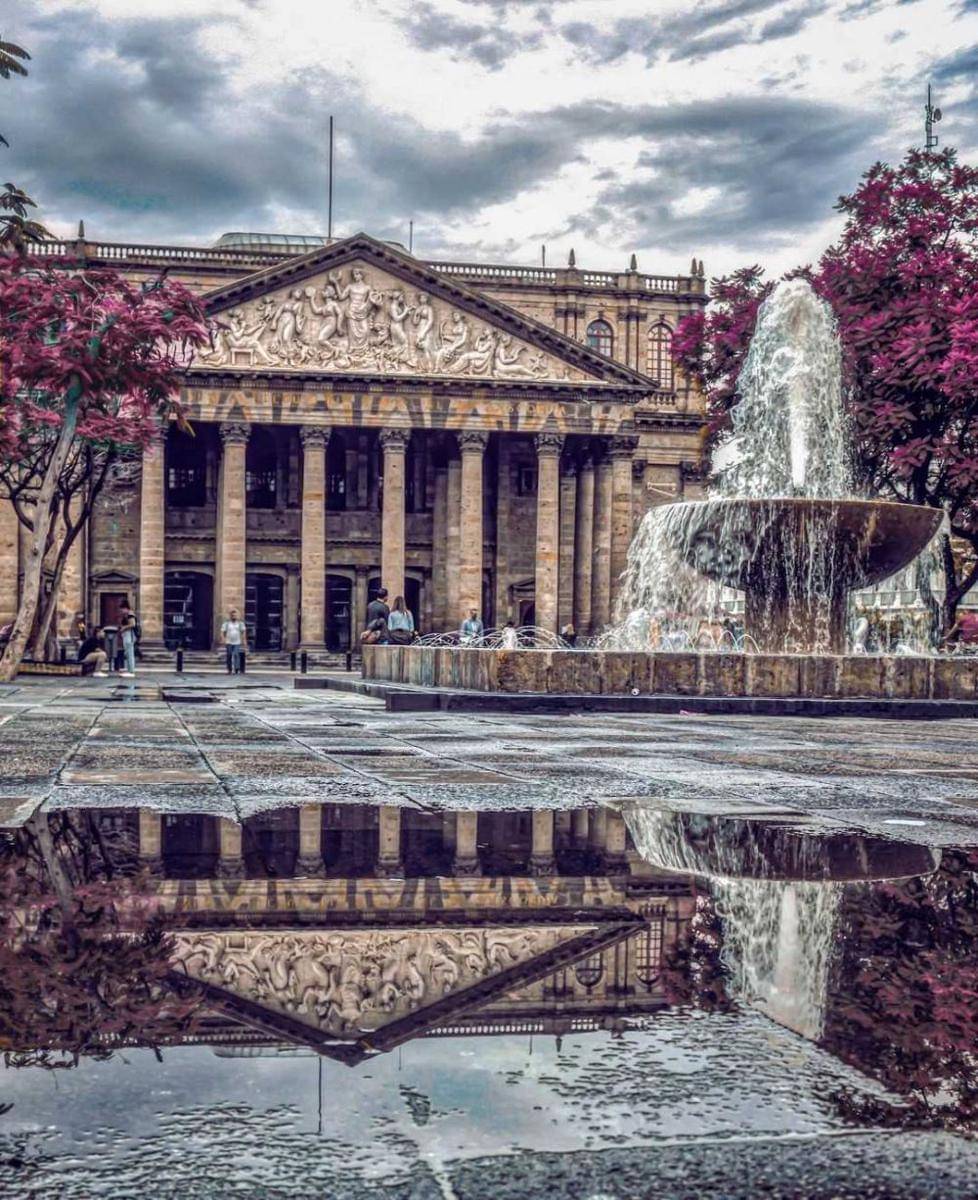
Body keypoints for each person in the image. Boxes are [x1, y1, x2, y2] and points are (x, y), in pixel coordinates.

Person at [221, 608, 248, 674]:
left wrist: (244, 640)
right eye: (232, 615)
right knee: (229, 655)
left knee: (236, 654)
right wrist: (223, 639)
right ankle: (229, 669)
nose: (234, 616)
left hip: (237, 642)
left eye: (235, 615)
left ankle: (236, 668)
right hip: (229, 642)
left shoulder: (240, 624)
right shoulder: (226, 624)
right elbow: (222, 631)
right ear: (230, 616)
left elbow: (243, 632)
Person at [118, 602, 138, 677]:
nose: (121, 611)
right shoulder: (128, 615)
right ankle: (129, 669)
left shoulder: (130, 615)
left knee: (129, 652)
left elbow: (133, 624)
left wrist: (124, 628)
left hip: (129, 635)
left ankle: (131, 671)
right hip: (127, 635)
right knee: (127, 652)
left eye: (122, 609)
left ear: (126, 608)